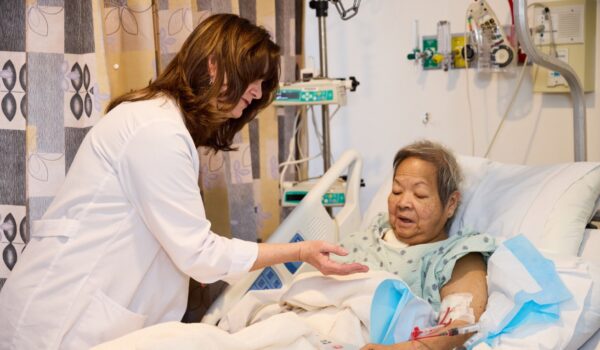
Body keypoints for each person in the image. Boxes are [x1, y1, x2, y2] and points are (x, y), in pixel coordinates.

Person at [0, 13, 367, 350]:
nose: (256, 93)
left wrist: (191, 260)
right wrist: (299, 251)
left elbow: (180, 244)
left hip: (87, 310)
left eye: (261, 84)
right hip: (61, 319)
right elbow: (200, 254)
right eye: (253, 78)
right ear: (214, 65)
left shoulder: (158, 121)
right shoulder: (156, 130)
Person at [333, 140, 496, 350]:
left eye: (419, 195)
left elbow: (460, 326)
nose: (403, 203)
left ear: (451, 204)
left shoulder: (455, 255)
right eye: (397, 191)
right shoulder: (365, 238)